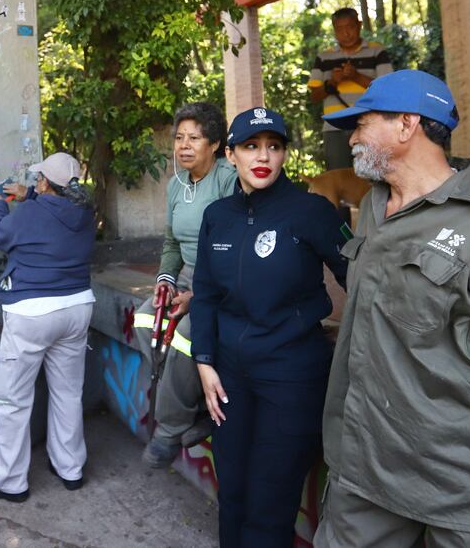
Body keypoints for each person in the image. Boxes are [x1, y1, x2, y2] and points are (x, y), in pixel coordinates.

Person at [314, 70, 470, 546]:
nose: (352, 139)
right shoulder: (373, 208)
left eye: (362, 124)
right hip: (363, 466)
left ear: (407, 124)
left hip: (458, 484)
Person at [190, 107, 349, 547]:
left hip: (291, 375)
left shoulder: (311, 211)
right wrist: (204, 361)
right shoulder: (217, 216)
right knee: (233, 493)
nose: (263, 156)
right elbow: (205, 293)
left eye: (274, 146)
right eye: (251, 146)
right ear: (231, 155)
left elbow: (360, 277)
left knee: (270, 504)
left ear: (284, 154)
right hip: (228, 377)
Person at [0, 152, 96, 502]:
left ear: (45, 183)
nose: (36, 183)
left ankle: (9, 480)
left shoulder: (29, 213)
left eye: (38, 179)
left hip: (33, 313)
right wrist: (27, 195)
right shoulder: (85, 212)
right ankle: (70, 468)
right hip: (77, 308)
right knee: (68, 393)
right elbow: (55, 212)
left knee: (13, 399)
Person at [140, 101, 236, 468]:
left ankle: (170, 428)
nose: (184, 145)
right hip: (185, 275)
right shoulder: (176, 184)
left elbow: (235, 247)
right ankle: (193, 401)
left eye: (194, 138)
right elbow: (171, 243)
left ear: (214, 144)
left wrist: (197, 296)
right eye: (179, 138)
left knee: (184, 337)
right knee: (145, 321)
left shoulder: (228, 178)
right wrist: (165, 282)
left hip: (222, 278)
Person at [308, 8, 393, 170]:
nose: (346, 34)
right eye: (339, 29)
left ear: (359, 25)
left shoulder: (377, 51)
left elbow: (388, 90)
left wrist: (356, 76)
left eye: (350, 27)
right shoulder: (323, 57)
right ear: (334, 30)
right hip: (333, 127)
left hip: (369, 124)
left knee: (373, 174)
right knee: (338, 176)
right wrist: (332, 82)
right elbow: (314, 97)